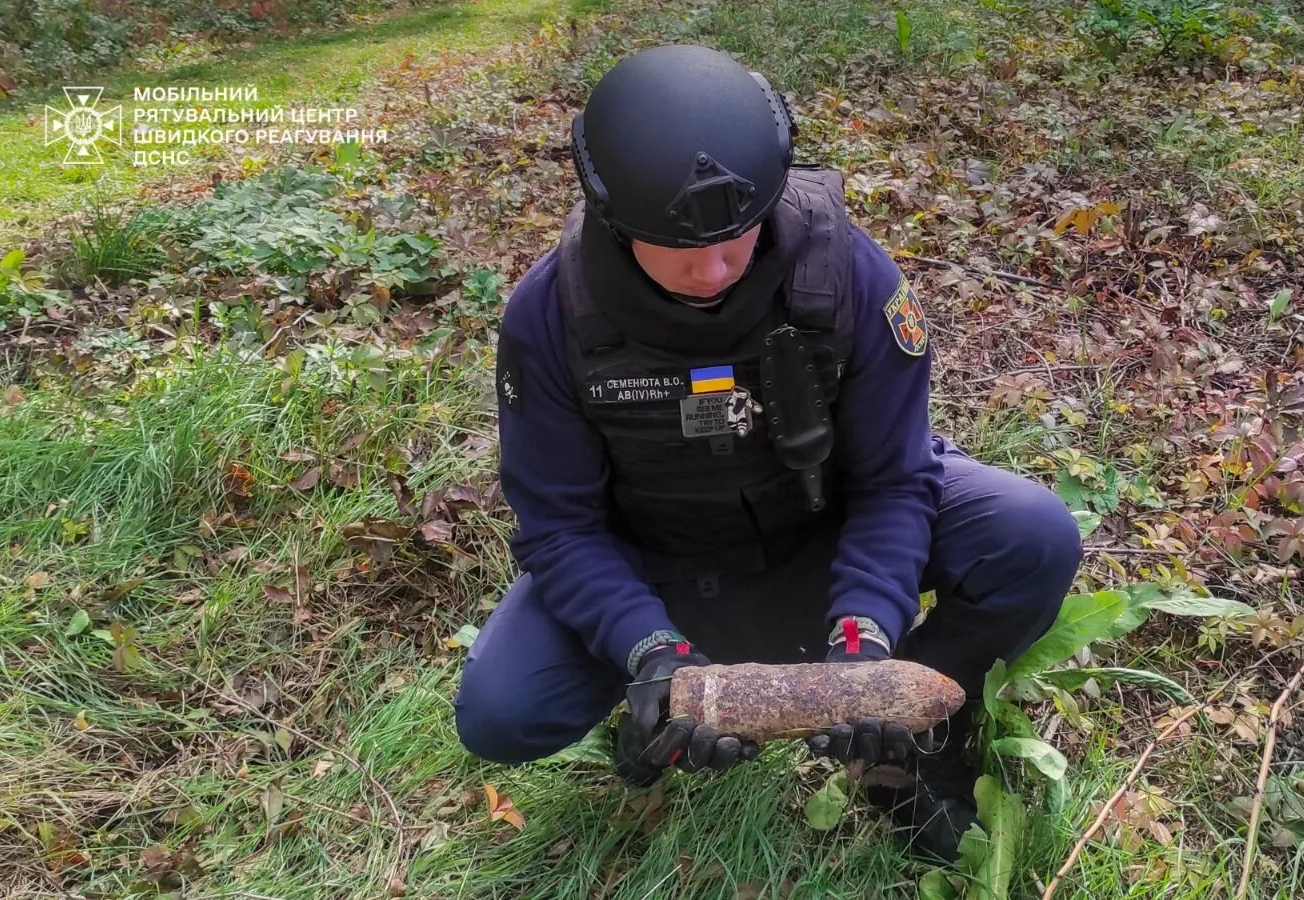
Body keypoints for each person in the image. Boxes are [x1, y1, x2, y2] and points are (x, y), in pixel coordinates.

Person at [453, 43, 1083, 863]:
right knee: (500, 711)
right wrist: (649, 651)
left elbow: (894, 483)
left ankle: (903, 742)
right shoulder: (549, 321)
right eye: (680, 249)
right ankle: (657, 716)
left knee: (1033, 534)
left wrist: (866, 644)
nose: (715, 269)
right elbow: (559, 530)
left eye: (738, 236)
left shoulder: (849, 275)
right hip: (664, 565)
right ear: (612, 217)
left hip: (821, 533)